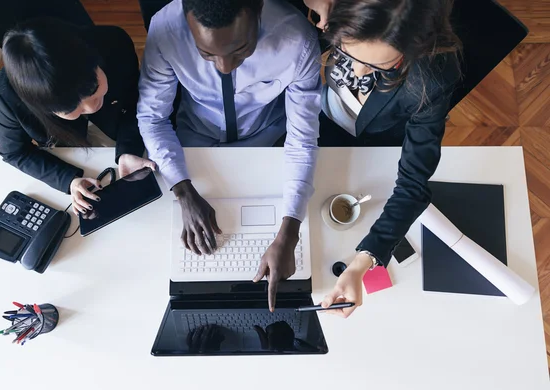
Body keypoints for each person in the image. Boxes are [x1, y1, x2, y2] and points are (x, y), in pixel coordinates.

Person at [137, 0, 321, 311]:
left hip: (268, 144)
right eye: (206, 54)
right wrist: (182, 191)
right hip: (192, 146)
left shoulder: (297, 41)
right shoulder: (164, 30)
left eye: (241, 50)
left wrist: (290, 232)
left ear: (258, 11)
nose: (225, 66)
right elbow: (152, 118)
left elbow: (302, 139)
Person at [303, 0, 461, 318]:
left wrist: (362, 264)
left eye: (379, 67)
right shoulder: (337, 11)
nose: (358, 72)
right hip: (315, 116)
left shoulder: (431, 78)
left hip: (372, 141)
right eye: (348, 54)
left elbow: (413, 185)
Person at [0, 18, 154, 216]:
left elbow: (136, 99)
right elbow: (15, 152)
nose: (91, 106)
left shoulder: (113, 42)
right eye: (69, 108)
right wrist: (69, 180)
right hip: (72, 151)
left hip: (122, 126)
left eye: (93, 88)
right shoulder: (5, 95)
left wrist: (129, 149)